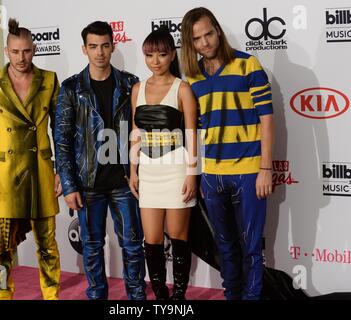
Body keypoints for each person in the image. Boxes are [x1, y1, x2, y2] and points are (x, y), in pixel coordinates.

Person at [181, 7, 274, 300]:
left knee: (251, 248)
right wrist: (199, 175)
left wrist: (266, 168)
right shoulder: (193, 77)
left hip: (249, 172)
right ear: (191, 43)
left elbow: (267, 119)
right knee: (225, 248)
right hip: (213, 176)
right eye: (197, 38)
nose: (205, 42)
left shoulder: (248, 65)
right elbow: (195, 129)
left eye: (209, 33)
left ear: (218, 30)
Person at [54, 21, 146, 300]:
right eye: (93, 46)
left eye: (105, 45)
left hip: (123, 181)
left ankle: (136, 298)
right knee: (91, 247)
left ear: (113, 46)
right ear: (84, 49)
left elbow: (139, 132)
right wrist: (69, 186)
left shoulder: (131, 83)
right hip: (87, 183)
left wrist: (137, 171)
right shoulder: (71, 88)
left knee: (132, 246)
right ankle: (97, 296)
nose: (100, 52)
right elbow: (62, 140)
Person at [0, 18, 61, 300]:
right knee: (0, 248)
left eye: (26, 51)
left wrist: (62, 170)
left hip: (40, 171)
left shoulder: (49, 80)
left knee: (47, 244)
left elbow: (60, 128)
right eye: (15, 51)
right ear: (6, 51)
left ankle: (51, 295)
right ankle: (2, 296)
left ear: (34, 50)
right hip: (3, 176)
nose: (21, 57)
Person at [129, 28, 198, 300]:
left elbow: (192, 135)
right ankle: (160, 294)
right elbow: (135, 132)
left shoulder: (183, 89)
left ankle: (179, 296)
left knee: (179, 237)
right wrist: (133, 170)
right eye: (149, 55)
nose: (155, 60)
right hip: (148, 169)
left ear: (172, 55)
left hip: (177, 168)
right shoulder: (138, 89)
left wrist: (192, 174)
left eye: (161, 54)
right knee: (152, 240)